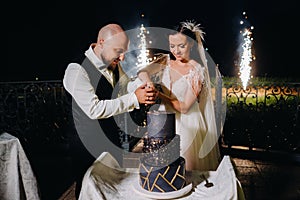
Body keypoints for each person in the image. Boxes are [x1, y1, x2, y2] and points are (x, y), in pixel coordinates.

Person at [63, 23, 158, 199]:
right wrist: (135, 99)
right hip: (86, 147)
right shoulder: (76, 70)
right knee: (88, 190)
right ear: (101, 42)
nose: (122, 57)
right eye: (118, 51)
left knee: (114, 191)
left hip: (112, 141)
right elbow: (94, 109)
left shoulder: (113, 64)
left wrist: (143, 87)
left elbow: (125, 86)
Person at [128, 20, 222, 171]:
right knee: (162, 166)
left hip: (187, 123)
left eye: (181, 46)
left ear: (191, 44)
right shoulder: (165, 61)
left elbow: (184, 107)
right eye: (172, 46)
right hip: (164, 119)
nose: (176, 51)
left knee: (186, 168)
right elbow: (142, 72)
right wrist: (150, 83)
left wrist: (160, 95)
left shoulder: (197, 70)